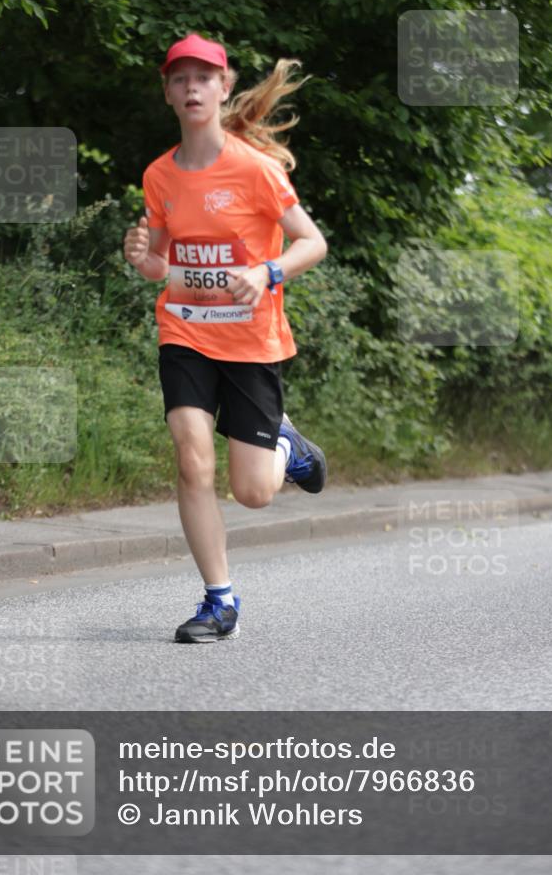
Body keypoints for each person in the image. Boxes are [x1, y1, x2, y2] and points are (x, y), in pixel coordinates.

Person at [124, 33, 328, 644]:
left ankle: (286, 449)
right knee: (191, 457)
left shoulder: (255, 170)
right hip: (183, 330)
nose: (192, 88)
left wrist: (265, 272)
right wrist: (143, 259)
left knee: (254, 492)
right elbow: (162, 264)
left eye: (203, 78)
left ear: (224, 87)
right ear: (167, 92)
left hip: (249, 342)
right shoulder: (159, 176)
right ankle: (219, 602)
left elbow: (311, 243)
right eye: (180, 79)